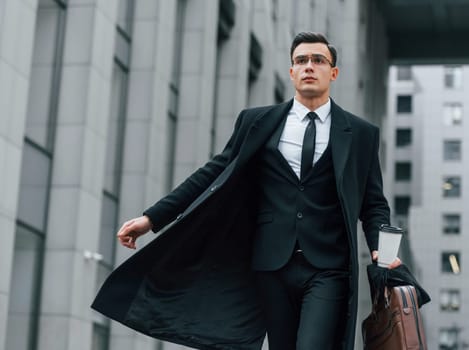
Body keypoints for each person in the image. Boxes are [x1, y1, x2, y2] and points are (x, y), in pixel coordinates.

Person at [92, 31, 400, 350]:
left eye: (318, 60)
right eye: (301, 61)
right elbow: (212, 173)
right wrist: (152, 219)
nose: (309, 66)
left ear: (333, 72)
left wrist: (387, 252)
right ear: (292, 71)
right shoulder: (257, 121)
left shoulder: (360, 134)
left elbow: (375, 203)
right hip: (270, 266)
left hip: (328, 268)